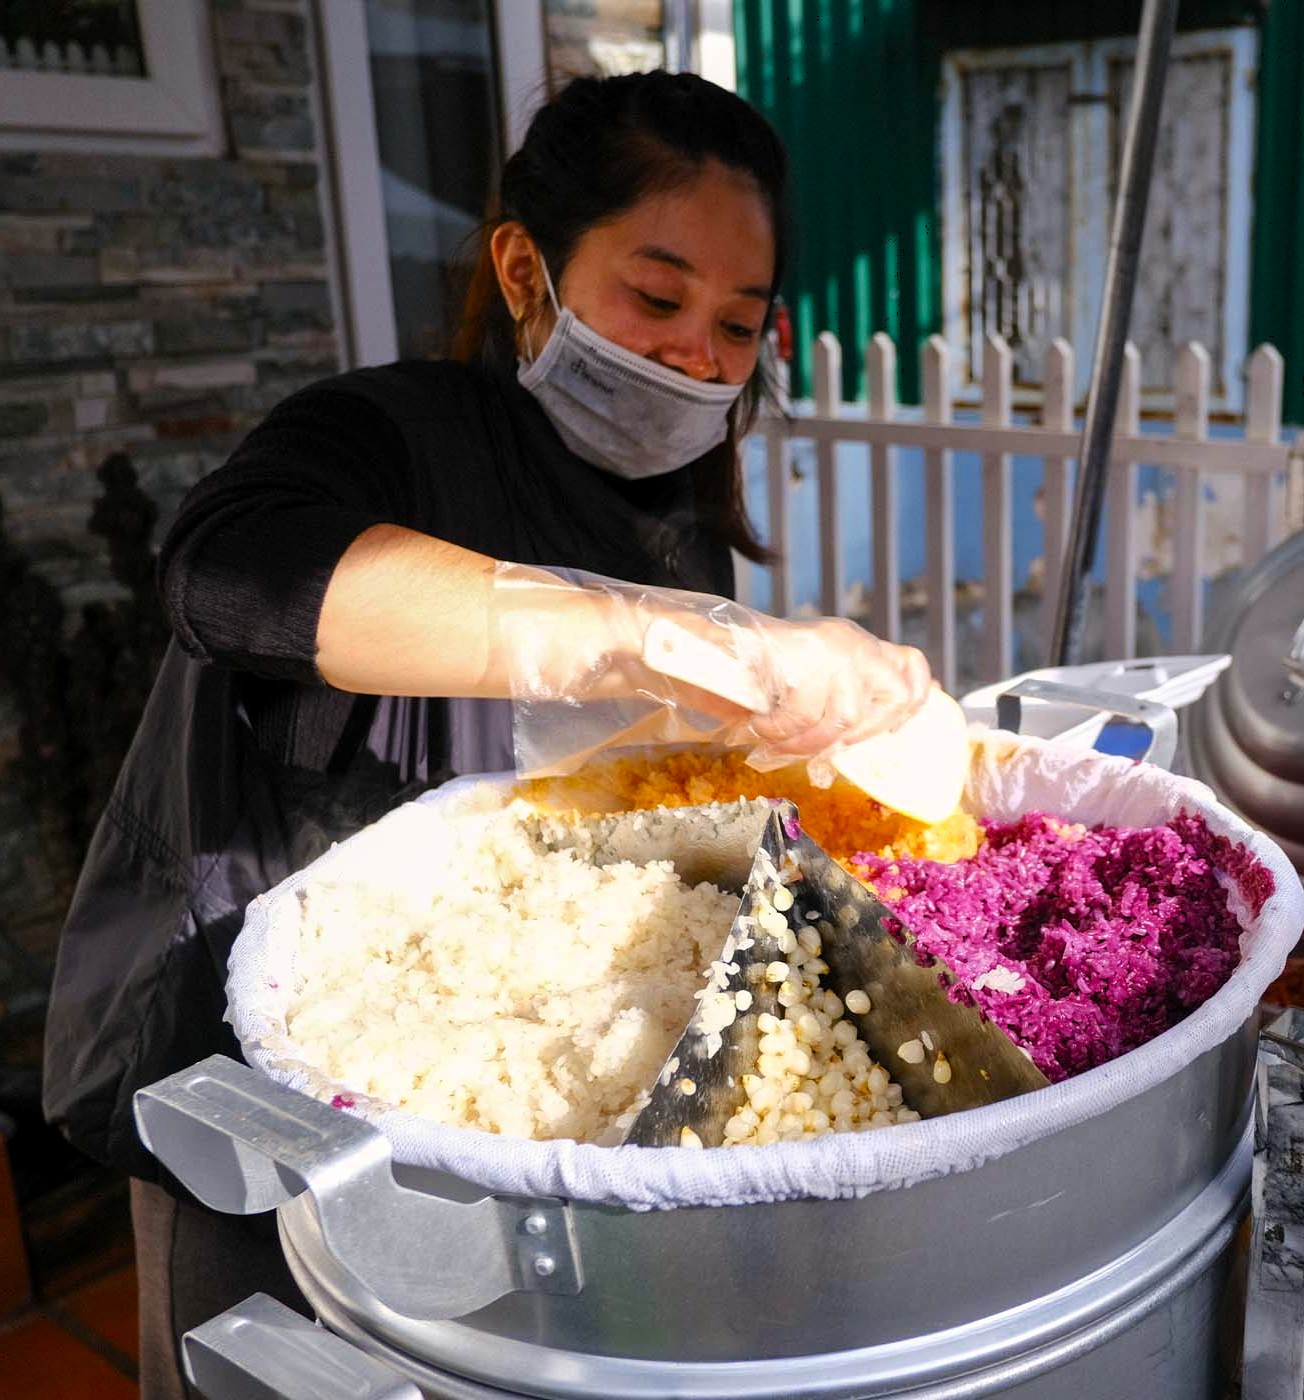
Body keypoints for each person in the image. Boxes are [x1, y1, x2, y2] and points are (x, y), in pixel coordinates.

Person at [39, 71, 930, 1399]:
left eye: (739, 326)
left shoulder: (675, 511)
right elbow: (226, 574)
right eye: (656, 295)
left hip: (516, 1114)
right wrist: (609, 625)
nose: (697, 355)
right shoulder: (384, 432)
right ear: (527, 271)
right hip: (270, 1088)